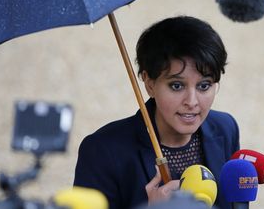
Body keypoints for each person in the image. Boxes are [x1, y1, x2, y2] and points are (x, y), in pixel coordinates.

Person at [73, 16, 240, 209]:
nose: (192, 102)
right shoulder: (102, 151)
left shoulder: (226, 129)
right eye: (177, 86)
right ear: (149, 83)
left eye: (204, 86)